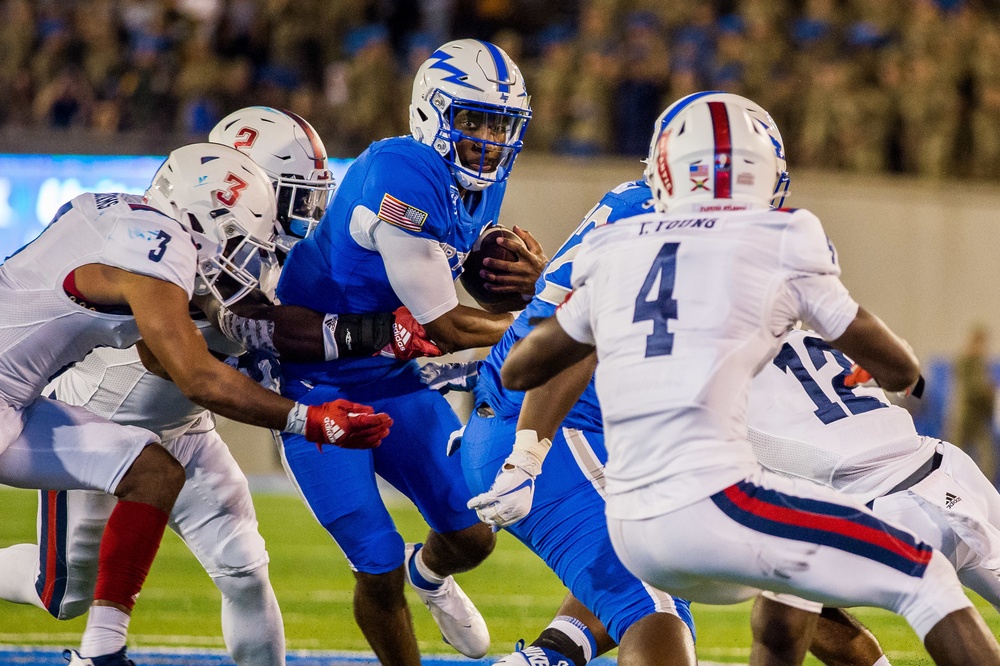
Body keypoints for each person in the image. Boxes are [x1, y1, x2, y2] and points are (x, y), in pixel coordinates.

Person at [498, 94, 1000, 664]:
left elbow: (523, 366)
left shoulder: (615, 250)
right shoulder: (779, 244)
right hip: (739, 500)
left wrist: (576, 311)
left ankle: (549, 652)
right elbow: (901, 370)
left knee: (785, 608)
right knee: (919, 578)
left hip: (634, 523)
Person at [0, 108, 407, 666]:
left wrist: (378, 334)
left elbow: (254, 328)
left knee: (232, 554)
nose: (301, 219)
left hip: (162, 421)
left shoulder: (154, 222)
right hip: (92, 403)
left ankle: (100, 655)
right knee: (63, 593)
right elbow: (189, 368)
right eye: (293, 198)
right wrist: (310, 416)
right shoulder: (156, 247)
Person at [272, 39, 546, 664]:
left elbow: (460, 274)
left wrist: (501, 280)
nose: (489, 139)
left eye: (501, 125)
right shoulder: (400, 173)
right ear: (432, 112)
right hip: (317, 386)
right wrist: (547, 318)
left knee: (474, 537)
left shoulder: (479, 185)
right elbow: (446, 326)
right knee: (375, 559)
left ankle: (431, 574)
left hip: (394, 376)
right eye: (474, 120)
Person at [746, 328, 1000, 665]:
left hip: (891, 510)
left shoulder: (721, 369)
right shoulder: (817, 335)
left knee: (783, 603)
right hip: (955, 472)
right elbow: (912, 381)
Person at [950, 324, 996, 485]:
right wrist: (989, 392)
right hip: (965, 415)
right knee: (954, 453)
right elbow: (973, 389)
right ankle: (951, 484)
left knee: (986, 455)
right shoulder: (966, 361)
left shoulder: (980, 362)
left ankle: (981, 486)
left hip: (977, 416)